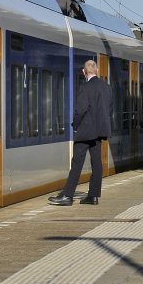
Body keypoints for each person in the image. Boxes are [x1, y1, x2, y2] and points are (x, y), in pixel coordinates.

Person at [49, 59, 113, 206]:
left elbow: (80, 110)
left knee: (77, 162)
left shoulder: (85, 87)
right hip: (99, 131)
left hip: (85, 131)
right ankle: (93, 196)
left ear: (84, 72)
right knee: (96, 162)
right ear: (97, 70)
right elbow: (109, 110)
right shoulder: (106, 87)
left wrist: (75, 125)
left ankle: (67, 195)